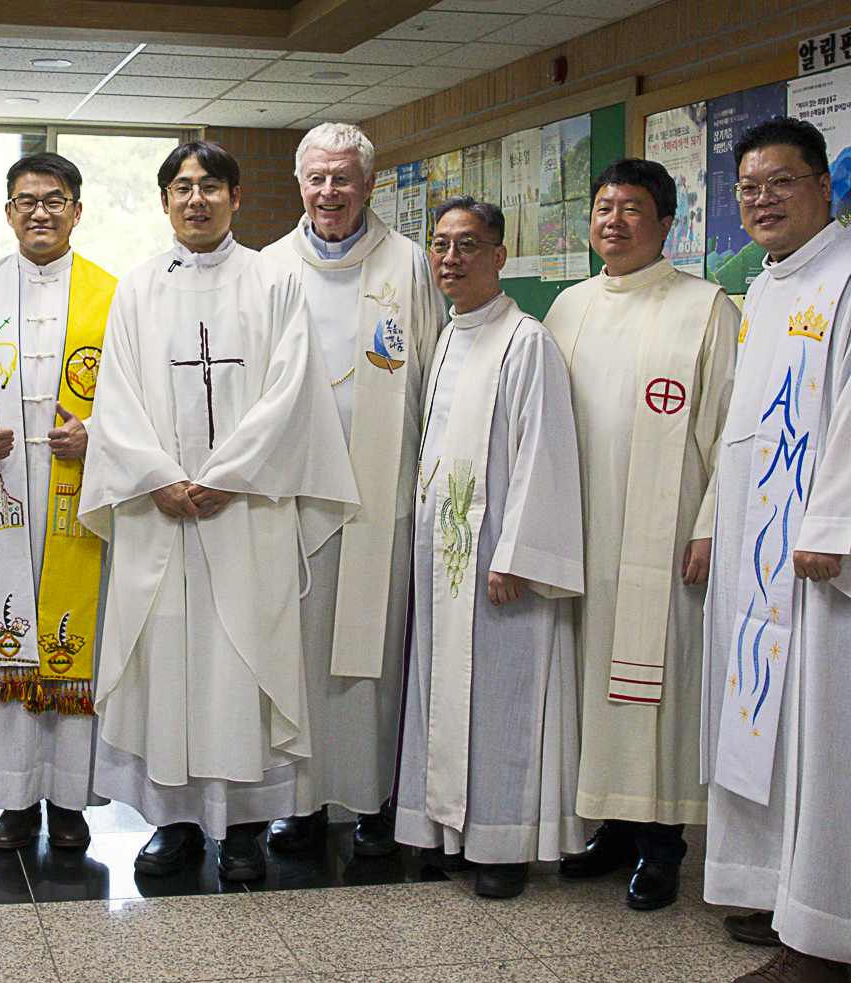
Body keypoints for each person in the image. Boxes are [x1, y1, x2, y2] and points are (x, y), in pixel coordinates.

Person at [78, 141, 358, 882]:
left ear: (236, 197)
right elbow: (117, 397)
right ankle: (173, 823)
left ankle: (243, 829)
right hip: (161, 513)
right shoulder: (138, 289)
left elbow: (293, 390)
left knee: (243, 665)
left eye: (210, 187)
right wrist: (158, 478)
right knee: (166, 664)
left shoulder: (275, 281)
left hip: (245, 513)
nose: (195, 199)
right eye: (182, 187)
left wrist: (229, 477)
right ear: (164, 201)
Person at [702, 116, 851, 983]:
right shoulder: (769, 286)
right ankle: (780, 894)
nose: (763, 200)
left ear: (824, 187)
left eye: (781, 182)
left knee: (837, 748)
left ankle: (832, 937)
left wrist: (833, 527)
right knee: (774, 733)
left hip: (830, 570)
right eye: (749, 188)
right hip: (765, 564)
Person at [543, 158, 738, 911]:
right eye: (603, 207)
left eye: (631, 208)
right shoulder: (568, 308)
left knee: (659, 688)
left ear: (666, 223)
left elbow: (732, 432)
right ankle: (612, 830)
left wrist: (710, 525)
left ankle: (663, 846)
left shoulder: (705, 307)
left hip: (664, 536)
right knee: (596, 683)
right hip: (584, 533)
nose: (614, 220)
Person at [393, 196, 585, 900]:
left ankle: (503, 844)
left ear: (500, 255)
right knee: (446, 696)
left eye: (468, 245)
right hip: (446, 557)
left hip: (499, 563)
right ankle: (451, 832)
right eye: (441, 245)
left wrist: (515, 554)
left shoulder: (525, 341)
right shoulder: (449, 336)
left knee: (501, 698)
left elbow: (544, 451)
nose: (451, 259)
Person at [260, 122, 444, 856]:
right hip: (295, 494)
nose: (329, 192)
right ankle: (299, 802)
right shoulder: (271, 266)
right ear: (299, 183)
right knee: (299, 652)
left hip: (380, 491)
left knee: (376, 652)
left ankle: (375, 799)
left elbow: (432, 374)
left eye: (343, 178)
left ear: (369, 185)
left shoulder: (409, 264)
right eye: (317, 178)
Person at [0, 152, 115, 850]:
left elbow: (135, 398)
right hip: (2, 487)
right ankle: (13, 798)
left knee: (77, 636)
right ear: (8, 211)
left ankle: (70, 799)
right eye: (27, 201)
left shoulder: (111, 296)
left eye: (54, 199)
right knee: (3, 633)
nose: (40, 211)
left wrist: (96, 434)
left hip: (80, 494)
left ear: (78, 209)